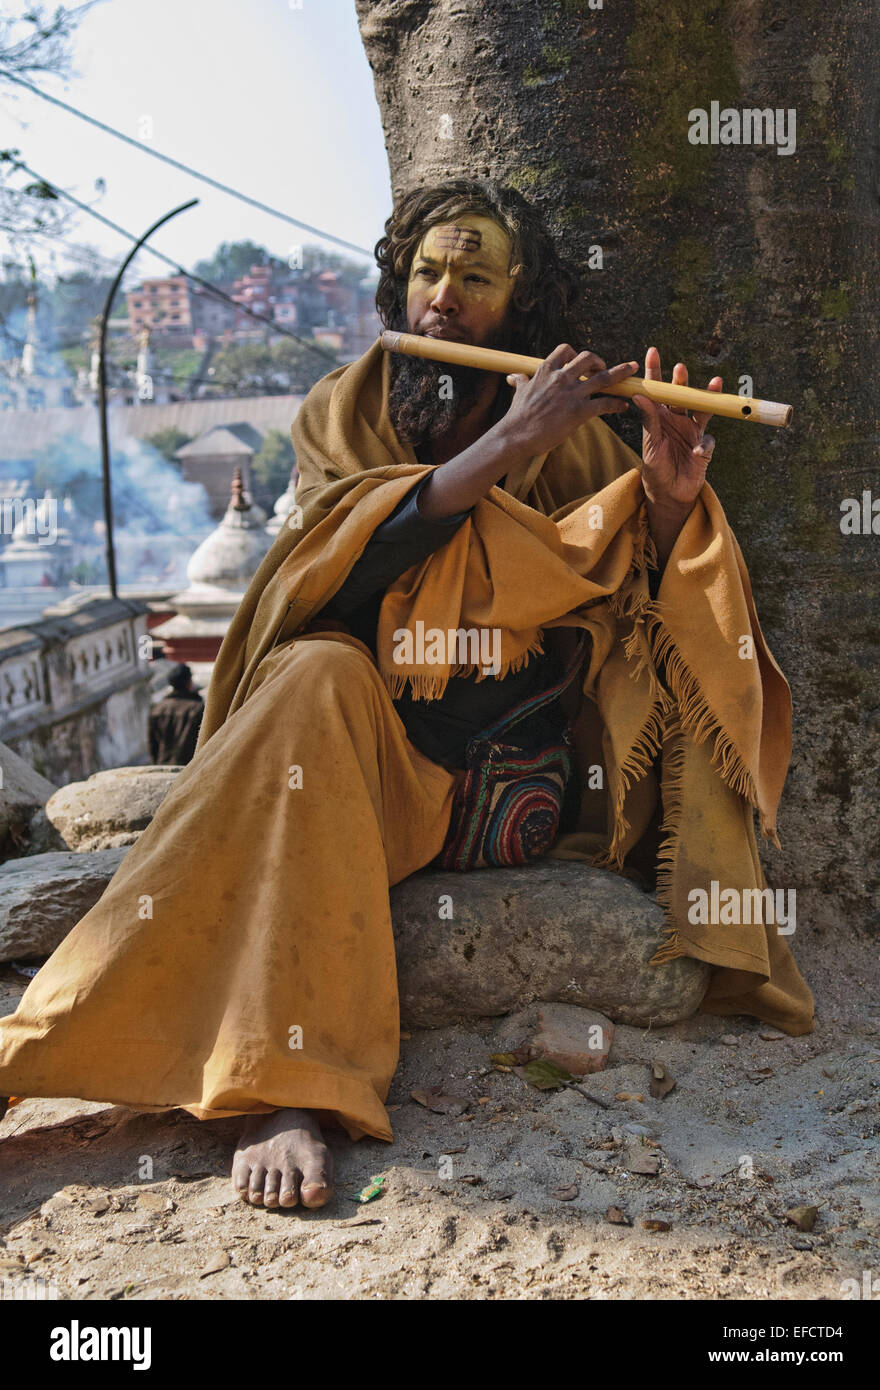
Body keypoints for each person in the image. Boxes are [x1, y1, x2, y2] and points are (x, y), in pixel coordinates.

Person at [0, 179, 813, 1214]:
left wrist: (663, 496)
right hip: (346, 753)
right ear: (397, 287)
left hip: (495, 781)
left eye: (474, 280)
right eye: (428, 274)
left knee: (311, 696)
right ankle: (214, 1070)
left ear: (518, 306)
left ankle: (274, 1084)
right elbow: (332, 582)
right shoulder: (341, 413)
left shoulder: (574, 439)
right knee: (315, 668)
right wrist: (500, 449)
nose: (443, 299)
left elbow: (635, 610)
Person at [147, 663, 204, 765]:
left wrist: (156, 764)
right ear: (189, 682)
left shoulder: (157, 709)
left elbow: (152, 744)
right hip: (190, 766)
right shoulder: (197, 708)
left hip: (163, 764)